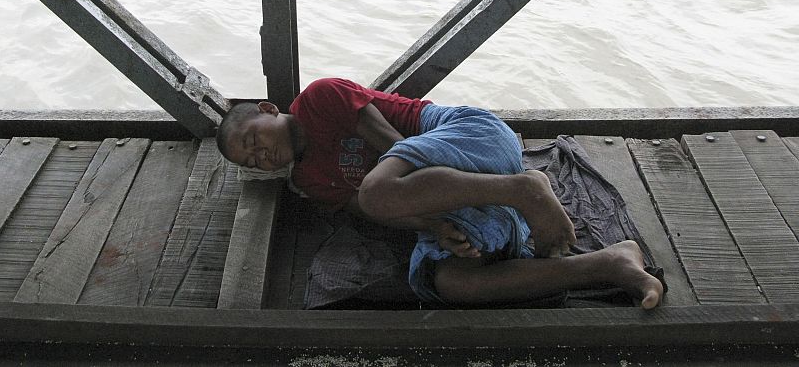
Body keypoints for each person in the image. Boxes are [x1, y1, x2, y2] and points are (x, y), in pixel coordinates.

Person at [217, 77, 663, 309]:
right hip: (455, 193)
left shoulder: (318, 98)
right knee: (448, 282)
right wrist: (440, 226)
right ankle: (609, 264)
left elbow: (392, 143)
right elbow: (378, 214)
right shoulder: (309, 182)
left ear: (268, 109)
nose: (261, 155)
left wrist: (430, 204)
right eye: (251, 161)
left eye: (255, 140)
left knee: (377, 191)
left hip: (469, 137)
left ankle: (527, 188)